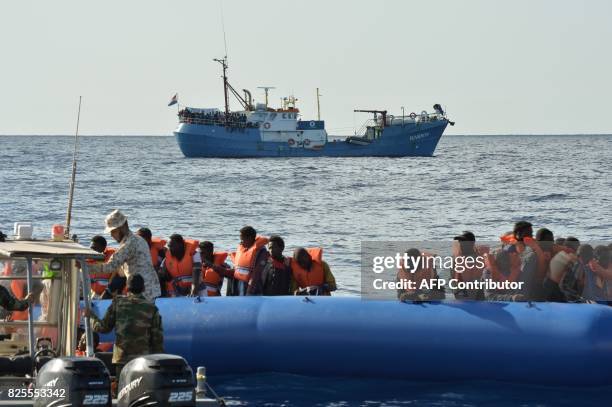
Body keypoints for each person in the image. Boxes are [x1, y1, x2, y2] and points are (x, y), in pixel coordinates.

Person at [85, 274, 164, 379]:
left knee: (122, 390)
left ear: (126, 288)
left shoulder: (118, 303)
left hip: (122, 360)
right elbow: (157, 340)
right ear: (143, 288)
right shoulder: (152, 308)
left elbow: (103, 327)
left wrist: (91, 316)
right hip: (143, 361)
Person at [90, 210, 161, 301]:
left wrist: (85, 267)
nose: (111, 235)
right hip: (149, 290)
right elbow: (123, 271)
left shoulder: (129, 244)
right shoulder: (138, 239)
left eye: (113, 231)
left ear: (123, 227)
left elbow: (110, 266)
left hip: (144, 293)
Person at [228, 226, 269, 296]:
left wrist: (249, 291)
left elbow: (257, 273)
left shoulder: (261, 251)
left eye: (242, 240)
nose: (241, 242)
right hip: (240, 287)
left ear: (249, 238)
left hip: (253, 290)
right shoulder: (244, 249)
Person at [452, 231, 487, 300]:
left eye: (464, 242)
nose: (461, 244)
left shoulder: (481, 257)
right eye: (460, 242)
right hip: (462, 293)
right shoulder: (457, 259)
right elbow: (455, 280)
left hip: (479, 294)